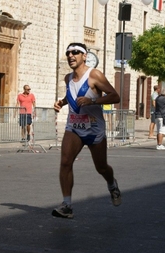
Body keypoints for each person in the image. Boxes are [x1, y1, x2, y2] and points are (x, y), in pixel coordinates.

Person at [52, 42, 121, 219]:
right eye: (68, 53)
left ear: (84, 56)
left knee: (101, 167)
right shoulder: (68, 78)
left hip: (94, 128)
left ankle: (112, 185)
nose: (70, 55)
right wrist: (62, 102)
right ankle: (67, 205)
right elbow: (71, 95)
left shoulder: (94, 75)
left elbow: (115, 96)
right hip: (74, 126)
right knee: (65, 162)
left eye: (75, 52)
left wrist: (93, 102)